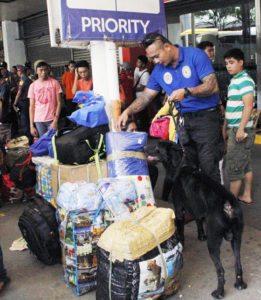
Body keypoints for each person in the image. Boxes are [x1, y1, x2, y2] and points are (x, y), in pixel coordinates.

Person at [117, 32, 222, 182]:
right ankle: (195, 204)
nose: (155, 61)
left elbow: (212, 86)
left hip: (206, 118)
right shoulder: (159, 71)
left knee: (208, 166)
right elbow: (146, 96)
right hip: (184, 120)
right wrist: (127, 111)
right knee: (188, 167)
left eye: (156, 56)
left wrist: (187, 92)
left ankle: (216, 204)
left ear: (167, 47)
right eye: (151, 58)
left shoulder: (195, 55)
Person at [224, 48, 255, 204]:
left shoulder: (244, 80)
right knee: (245, 164)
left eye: (232, 62)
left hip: (240, 130)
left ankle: (230, 205)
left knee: (235, 167)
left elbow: (249, 105)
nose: (228, 66)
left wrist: (241, 129)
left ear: (241, 62)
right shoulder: (236, 79)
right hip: (237, 128)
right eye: (226, 63)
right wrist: (226, 127)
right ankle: (246, 195)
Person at [28, 61, 62, 137]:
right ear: (36, 71)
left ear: (48, 70)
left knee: (53, 142)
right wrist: (31, 126)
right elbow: (31, 106)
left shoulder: (55, 83)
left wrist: (55, 121)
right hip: (38, 120)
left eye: (45, 70)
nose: (43, 72)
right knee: (43, 142)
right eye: (41, 70)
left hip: (52, 119)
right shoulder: (32, 86)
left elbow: (59, 102)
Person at [123, 118, 158, 189]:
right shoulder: (124, 143)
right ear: (125, 132)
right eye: (132, 130)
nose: (135, 132)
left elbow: (142, 157)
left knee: (153, 170)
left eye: (136, 129)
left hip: (138, 167)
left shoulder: (138, 141)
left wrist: (150, 159)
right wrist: (147, 160)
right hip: (129, 171)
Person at [13, 65, 33, 144]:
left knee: (24, 123)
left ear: (20, 71)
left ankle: (29, 140)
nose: (17, 72)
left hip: (23, 103)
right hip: (29, 102)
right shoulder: (29, 80)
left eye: (17, 71)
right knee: (29, 121)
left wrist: (14, 103)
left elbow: (19, 92)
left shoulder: (22, 80)